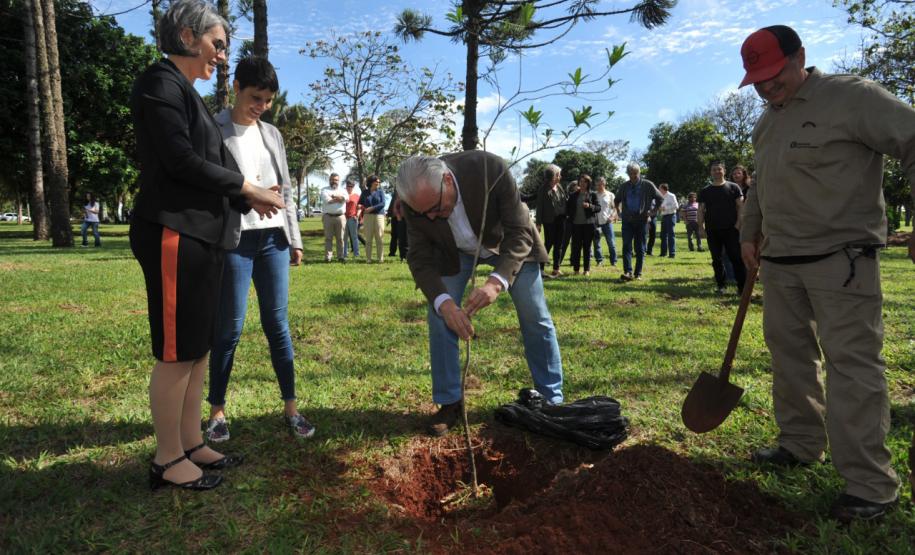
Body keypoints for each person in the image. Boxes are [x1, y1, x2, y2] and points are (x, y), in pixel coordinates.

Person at [738, 24, 915, 522]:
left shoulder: (853, 98)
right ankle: (799, 444)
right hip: (780, 262)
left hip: (843, 261)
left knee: (852, 369)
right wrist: (749, 232)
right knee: (789, 358)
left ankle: (871, 486)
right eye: (757, 80)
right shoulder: (766, 123)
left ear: (800, 57)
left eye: (774, 74)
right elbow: (761, 185)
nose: (766, 87)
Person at [129, 0, 284, 491]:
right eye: (217, 44)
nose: (222, 54)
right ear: (186, 36)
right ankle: (167, 459)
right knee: (177, 351)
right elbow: (179, 161)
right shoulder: (160, 84)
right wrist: (247, 188)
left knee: (198, 348)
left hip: (204, 238)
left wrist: (245, 199)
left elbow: (210, 166)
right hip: (174, 232)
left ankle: (192, 443)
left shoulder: (187, 93)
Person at [395, 152, 564, 436]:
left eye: (435, 207)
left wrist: (497, 282)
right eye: (424, 214)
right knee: (440, 316)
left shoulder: (489, 169)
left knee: (535, 315)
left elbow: (520, 231)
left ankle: (551, 398)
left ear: (448, 180)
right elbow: (420, 259)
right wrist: (445, 304)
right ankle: (450, 401)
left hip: (509, 246)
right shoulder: (417, 202)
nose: (431, 217)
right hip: (454, 254)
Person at [206, 56, 315, 443]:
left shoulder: (272, 134)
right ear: (236, 87)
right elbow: (210, 186)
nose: (262, 106)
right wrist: (248, 197)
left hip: (273, 241)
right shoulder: (213, 129)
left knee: (277, 325)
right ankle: (217, 412)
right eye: (255, 97)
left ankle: (292, 409)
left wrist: (294, 239)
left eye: (268, 100)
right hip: (235, 242)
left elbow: (286, 190)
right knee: (229, 328)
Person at [698, 162, 746, 294]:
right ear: (710, 172)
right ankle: (721, 286)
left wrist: (739, 224)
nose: (717, 172)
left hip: (731, 229)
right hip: (712, 230)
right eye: (714, 170)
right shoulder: (705, 191)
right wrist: (701, 227)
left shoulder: (733, 187)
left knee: (736, 258)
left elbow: (741, 207)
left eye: (719, 169)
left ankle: (742, 288)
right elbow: (701, 210)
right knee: (716, 259)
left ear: (724, 171)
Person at [614, 162, 663, 281]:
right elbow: (617, 200)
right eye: (630, 173)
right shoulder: (624, 186)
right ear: (628, 174)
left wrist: (653, 211)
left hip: (642, 220)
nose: (633, 176)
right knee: (626, 246)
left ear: (639, 172)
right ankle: (628, 272)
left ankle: (638, 273)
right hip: (627, 220)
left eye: (635, 173)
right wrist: (619, 211)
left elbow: (660, 198)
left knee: (640, 248)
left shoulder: (647, 185)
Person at [535, 164, 568, 277]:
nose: (560, 177)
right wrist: (538, 223)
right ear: (554, 176)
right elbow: (539, 207)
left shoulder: (559, 187)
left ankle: (556, 269)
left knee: (559, 245)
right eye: (559, 175)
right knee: (548, 244)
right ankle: (540, 269)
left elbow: (564, 200)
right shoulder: (543, 189)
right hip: (549, 220)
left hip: (561, 219)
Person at [565, 174, 599, 276]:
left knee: (587, 248)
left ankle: (586, 270)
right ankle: (576, 270)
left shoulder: (593, 194)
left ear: (588, 183)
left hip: (589, 225)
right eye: (581, 181)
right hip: (576, 225)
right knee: (576, 248)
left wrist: (590, 206)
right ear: (579, 182)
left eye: (585, 182)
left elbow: (598, 208)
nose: (582, 183)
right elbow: (568, 208)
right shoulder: (573, 195)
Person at [320, 173, 347, 261]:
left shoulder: (343, 190)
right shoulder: (324, 190)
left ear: (338, 181)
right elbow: (328, 201)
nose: (334, 181)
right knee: (328, 238)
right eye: (332, 179)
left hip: (340, 217)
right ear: (329, 180)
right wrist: (340, 199)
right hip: (328, 217)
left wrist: (333, 196)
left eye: (336, 180)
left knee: (340, 238)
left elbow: (346, 199)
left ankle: (340, 256)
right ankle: (328, 257)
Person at [360, 175, 386, 263]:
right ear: (371, 182)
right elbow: (360, 202)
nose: (378, 183)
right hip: (367, 217)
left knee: (379, 237)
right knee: (368, 238)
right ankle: (368, 259)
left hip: (379, 216)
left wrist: (372, 208)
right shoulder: (365, 192)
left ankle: (380, 259)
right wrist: (360, 206)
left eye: (379, 182)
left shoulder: (380, 192)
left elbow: (383, 203)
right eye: (376, 181)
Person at [593, 176, 617, 267]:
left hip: (607, 222)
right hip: (596, 223)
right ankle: (599, 261)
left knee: (611, 243)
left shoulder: (610, 195)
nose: (598, 187)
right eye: (597, 185)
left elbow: (615, 208)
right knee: (596, 243)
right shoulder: (593, 195)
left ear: (604, 184)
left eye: (600, 185)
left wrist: (612, 217)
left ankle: (613, 261)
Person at [657, 183, 678, 258]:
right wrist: (660, 209)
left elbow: (676, 206)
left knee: (670, 235)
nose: (658, 190)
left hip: (671, 216)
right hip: (664, 216)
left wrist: (665, 208)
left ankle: (672, 253)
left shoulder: (671, 195)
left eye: (659, 188)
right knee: (663, 235)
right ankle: (663, 253)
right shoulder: (660, 196)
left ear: (663, 189)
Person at [343, 179, 362, 259]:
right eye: (348, 186)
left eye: (351, 186)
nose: (349, 187)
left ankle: (356, 253)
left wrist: (357, 215)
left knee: (354, 237)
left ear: (353, 187)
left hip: (352, 218)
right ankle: (344, 254)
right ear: (346, 186)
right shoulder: (343, 194)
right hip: (343, 218)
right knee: (344, 237)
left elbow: (360, 207)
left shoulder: (357, 196)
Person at [388, 189, 408, 261]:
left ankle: (408, 255)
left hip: (410, 219)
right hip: (400, 218)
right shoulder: (398, 192)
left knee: (408, 238)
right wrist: (398, 216)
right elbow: (395, 205)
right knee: (400, 237)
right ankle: (402, 256)